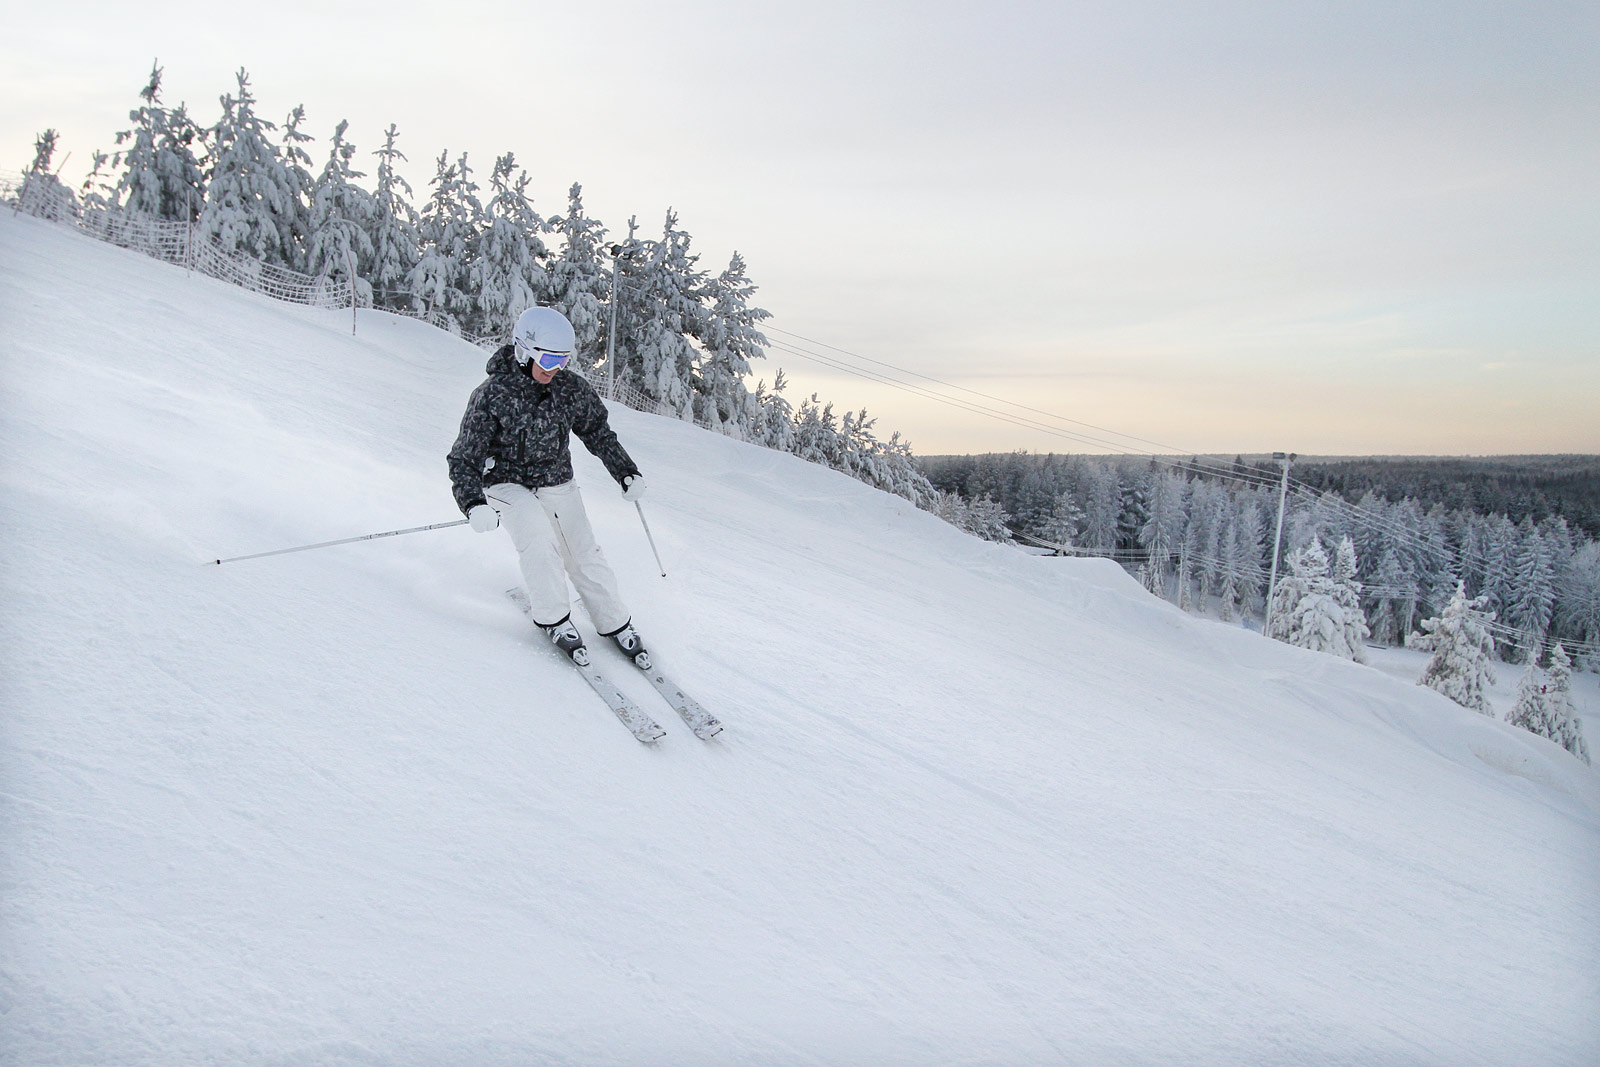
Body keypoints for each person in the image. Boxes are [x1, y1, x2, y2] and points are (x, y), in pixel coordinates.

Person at [448, 306, 651, 668]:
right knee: (540, 544)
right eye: (548, 358)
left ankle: (615, 621)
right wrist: (473, 503)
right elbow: (464, 458)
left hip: (556, 479)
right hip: (506, 483)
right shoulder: (492, 394)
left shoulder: (569, 388)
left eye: (562, 359)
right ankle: (555, 619)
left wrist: (625, 472)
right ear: (524, 349)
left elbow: (597, 432)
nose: (554, 367)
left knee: (582, 551)